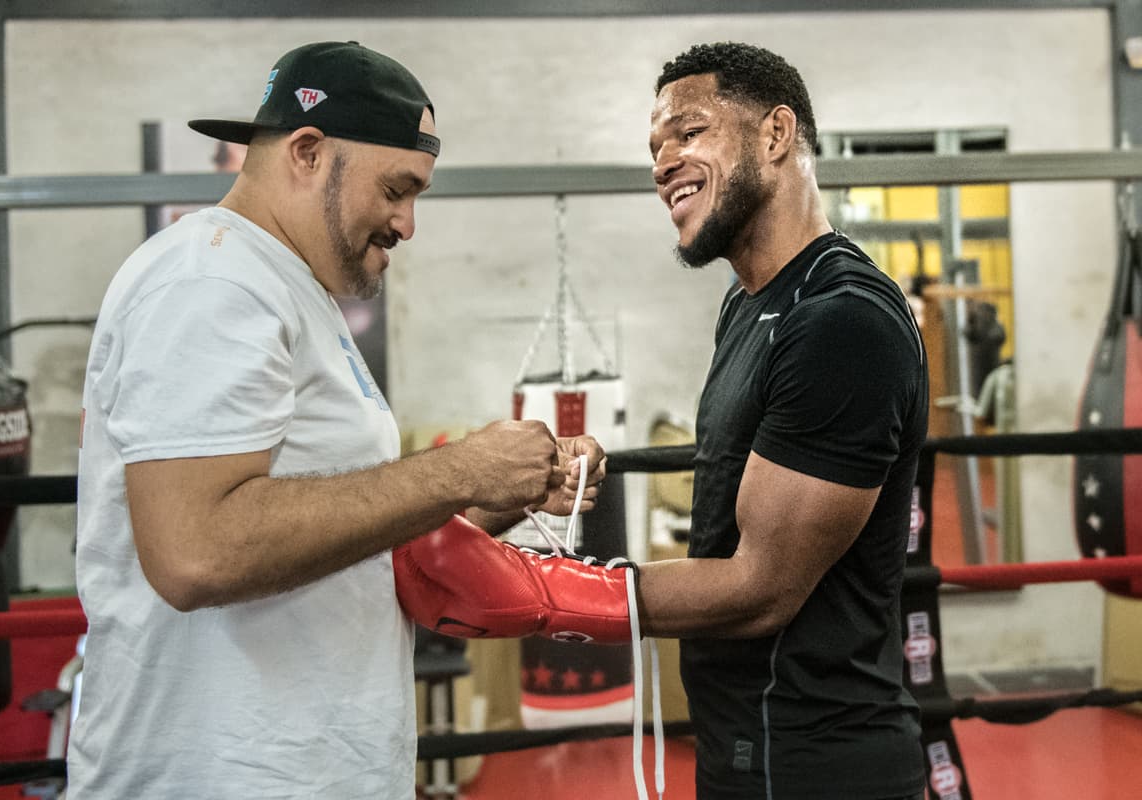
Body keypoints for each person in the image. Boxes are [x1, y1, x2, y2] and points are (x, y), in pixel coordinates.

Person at [68, 41, 604, 799]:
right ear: (309, 152)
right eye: (396, 188)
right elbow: (195, 553)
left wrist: (500, 490)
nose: (408, 223)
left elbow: (341, 533)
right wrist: (459, 468)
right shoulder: (214, 281)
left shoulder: (289, 290)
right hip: (217, 778)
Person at [394, 42, 928, 800]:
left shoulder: (841, 322)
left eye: (688, 132)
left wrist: (548, 589)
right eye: (655, 147)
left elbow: (762, 587)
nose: (662, 162)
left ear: (777, 136)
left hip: (818, 761)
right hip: (743, 744)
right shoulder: (749, 305)